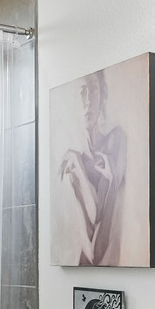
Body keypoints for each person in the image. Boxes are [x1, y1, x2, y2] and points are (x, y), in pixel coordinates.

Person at [57, 75, 128, 265]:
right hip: (86, 270)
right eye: (83, 92)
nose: (88, 100)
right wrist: (79, 164)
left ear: (102, 97)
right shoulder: (73, 168)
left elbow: (97, 217)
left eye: (94, 90)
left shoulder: (116, 140)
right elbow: (91, 252)